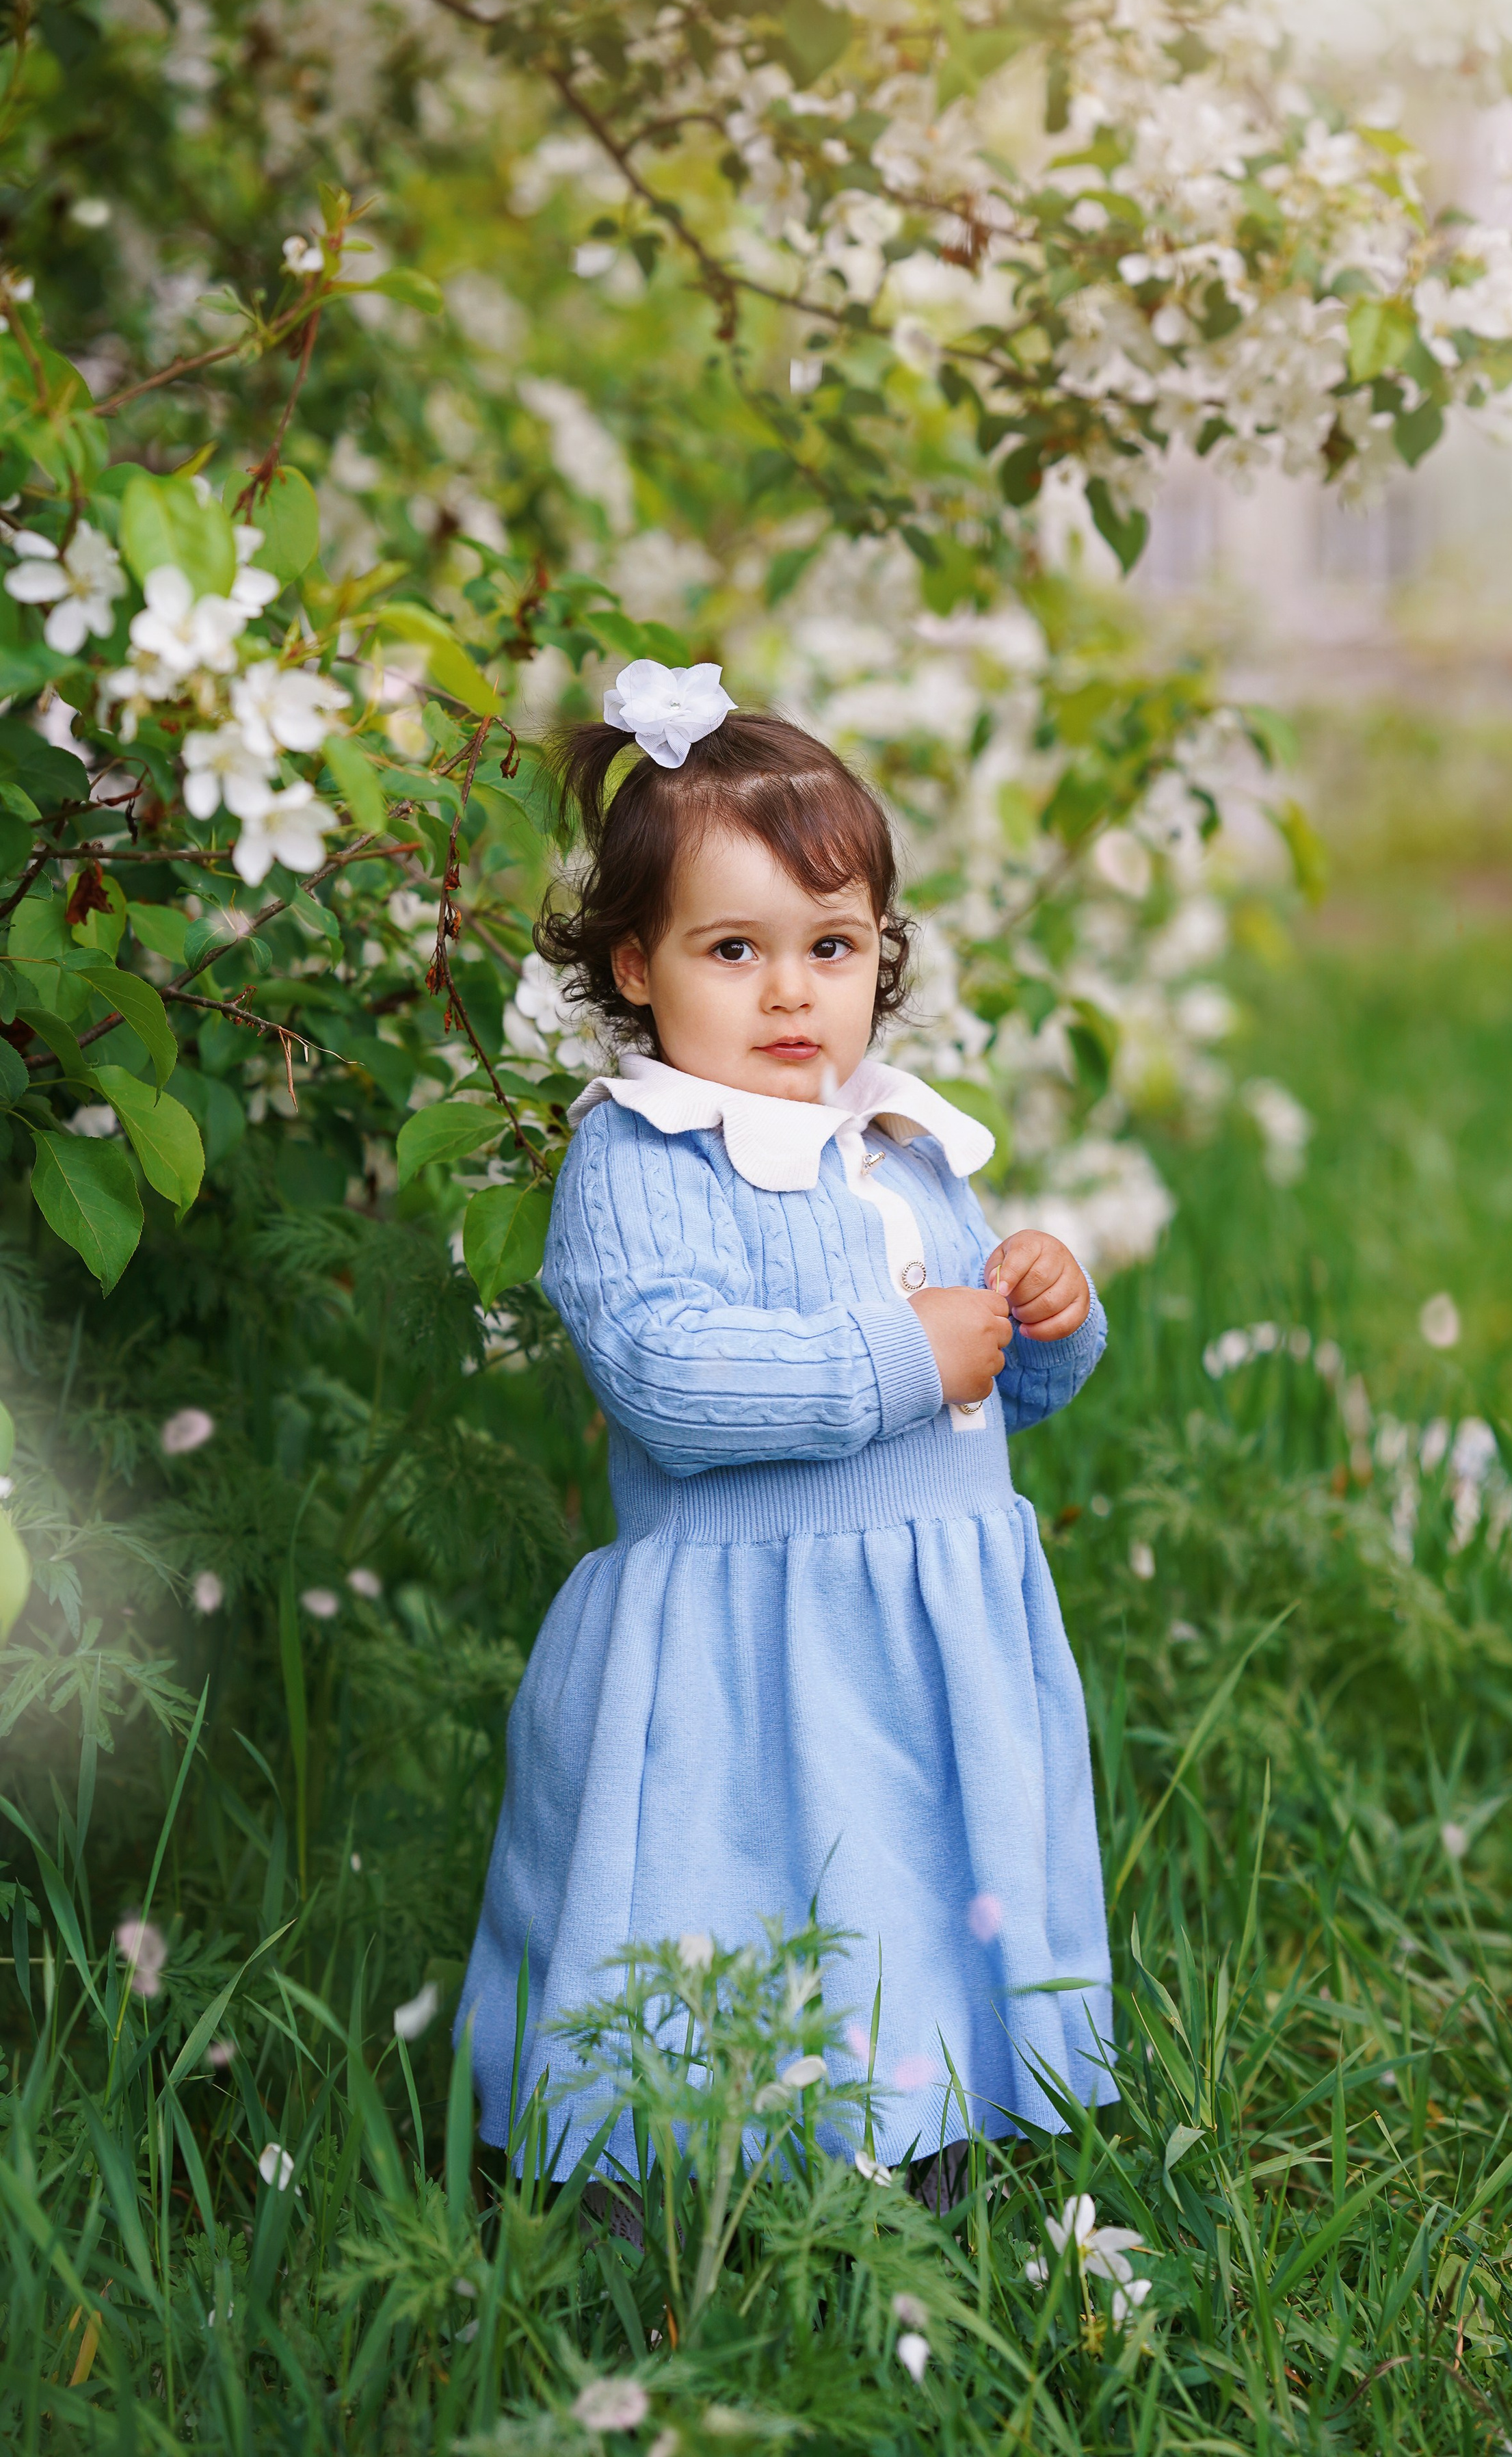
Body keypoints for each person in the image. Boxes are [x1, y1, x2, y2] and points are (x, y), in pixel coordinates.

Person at [457, 661, 1113, 2200]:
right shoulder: (637, 1158)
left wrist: (1045, 1321)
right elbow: (671, 1381)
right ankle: (645, 2162)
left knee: (917, 1868)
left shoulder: (901, 1139)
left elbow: (984, 1374)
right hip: (740, 1643)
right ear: (634, 968)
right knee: (720, 1882)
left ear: (876, 954)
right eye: (731, 948)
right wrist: (901, 1353)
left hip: (928, 1621)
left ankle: (924, 2123)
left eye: (829, 946)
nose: (787, 992)